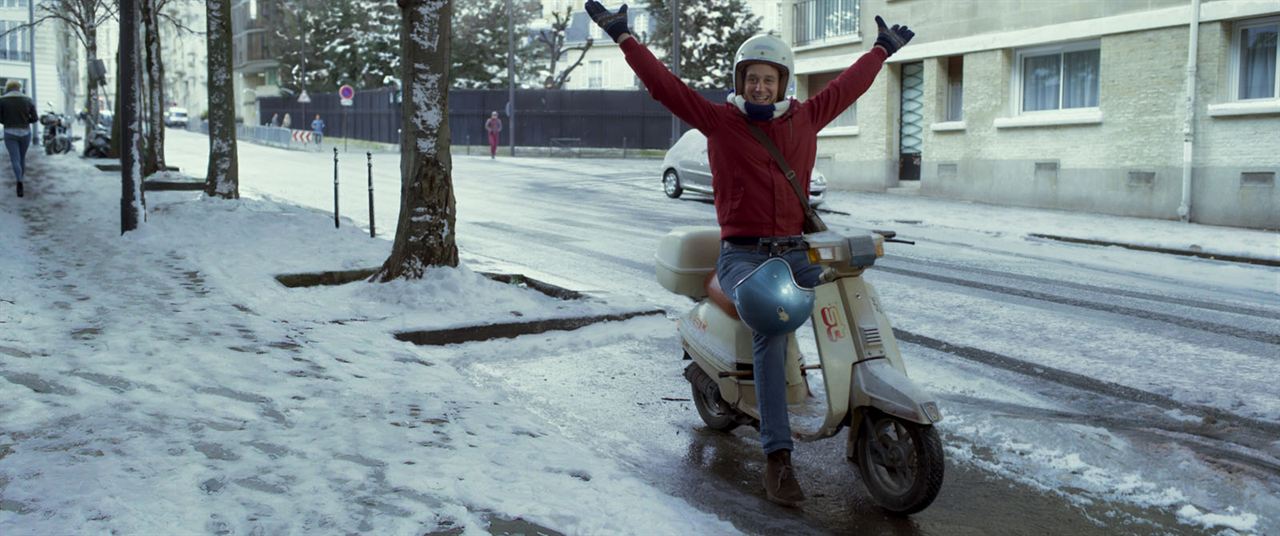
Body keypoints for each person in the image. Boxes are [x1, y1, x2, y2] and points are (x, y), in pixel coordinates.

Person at [584, 1, 913, 507]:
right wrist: (624, 38)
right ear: (740, 82)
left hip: (798, 248)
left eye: (769, 79)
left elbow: (848, 86)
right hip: (743, 255)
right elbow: (664, 87)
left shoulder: (806, 118)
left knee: (853, 296)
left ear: (784, 83)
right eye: (751, 79)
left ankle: (866, 401)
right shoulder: (720, 122)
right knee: (769, 322)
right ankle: (778, 459)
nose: (760, 87)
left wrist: (881, 50)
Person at [0, 80, 38, 198]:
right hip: (25, 132)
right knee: (22, 158)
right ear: (19, 88)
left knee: (14, 159)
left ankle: (19, 181)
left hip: (9, 132)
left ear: (8, 88)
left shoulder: (2, 100)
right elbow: (35, 118)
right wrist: (26, 121)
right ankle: (21, 179)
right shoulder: (28, 100)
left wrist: (6, 122)